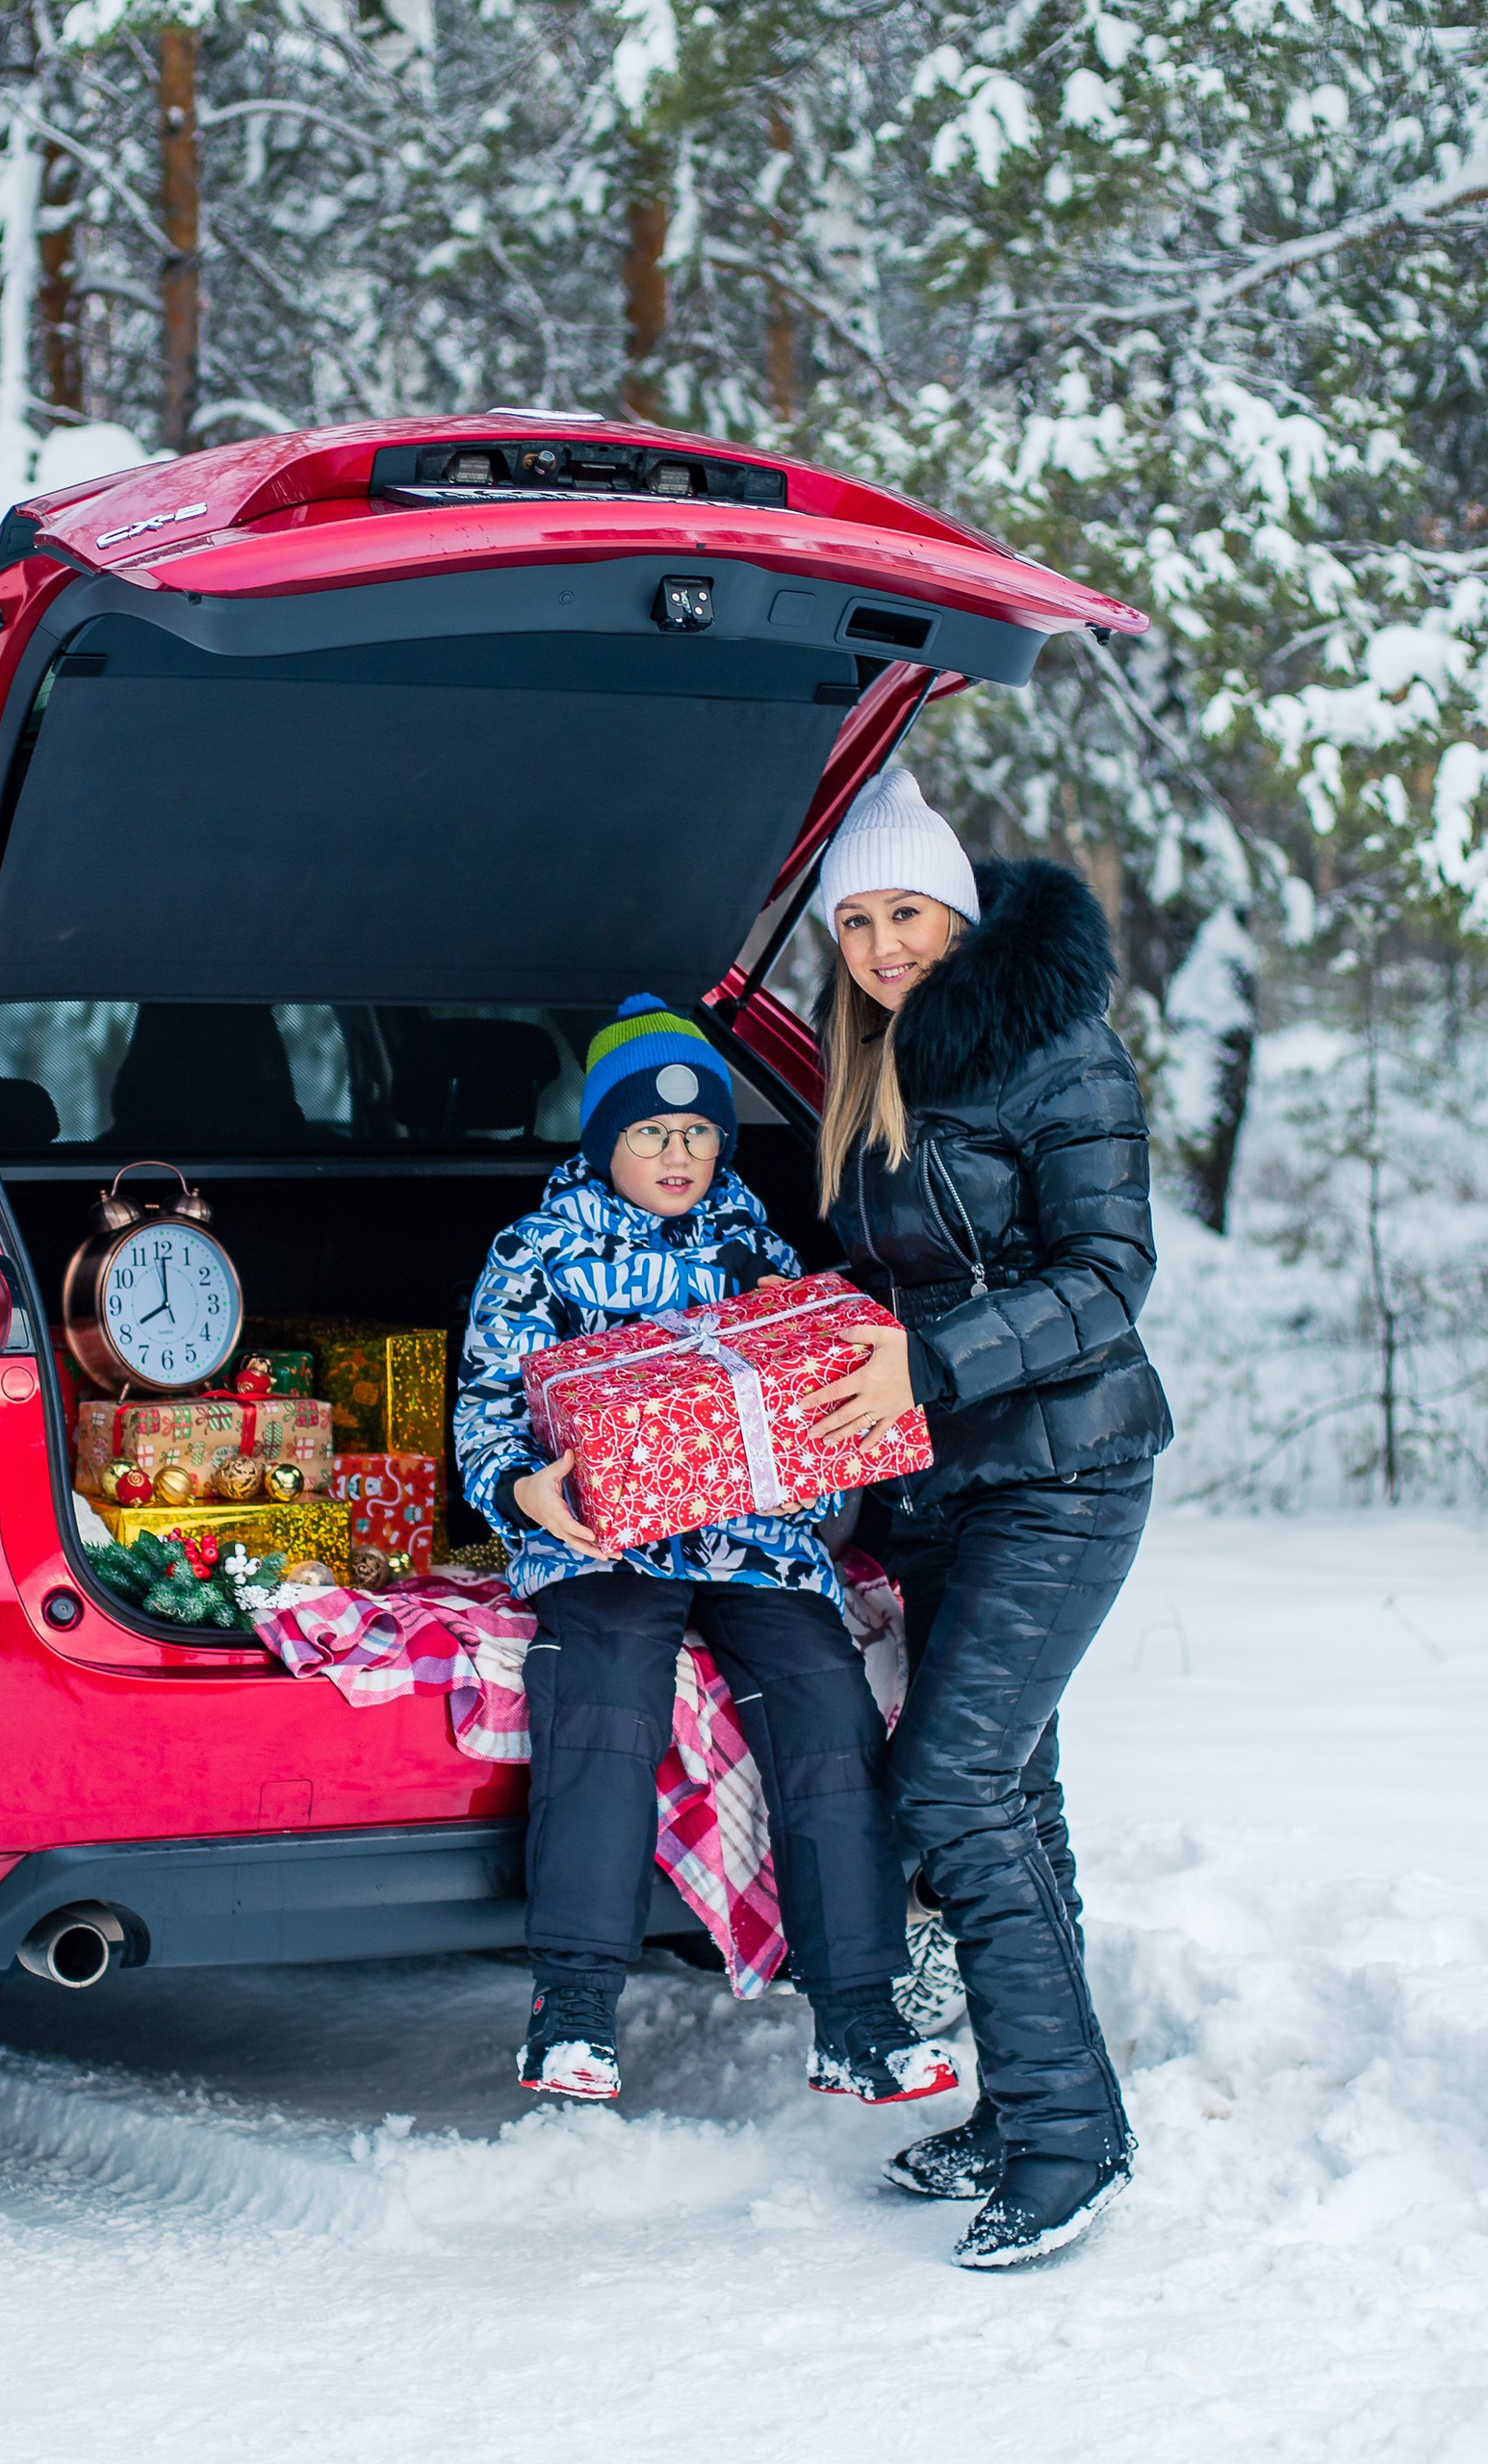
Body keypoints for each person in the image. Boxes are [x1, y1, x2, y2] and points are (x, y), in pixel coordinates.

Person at [795, 765, 1172, 2269]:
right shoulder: (873, 1064)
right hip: (946, 1483)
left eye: (910, 914)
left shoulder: (1054, 1049)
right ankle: (1027, 2112)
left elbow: (1108, 1278)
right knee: (1017, 1796)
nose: (887, 945)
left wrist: (929, 1361)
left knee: (949, 1789)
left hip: (1067, 1471)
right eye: (861, 922)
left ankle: (1074, 2139)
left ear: (960, 910)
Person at [456, 995, 960, 2108]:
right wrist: (519, 1487)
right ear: (604, 1140)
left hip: (748, 1539)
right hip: (604, 1540)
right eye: (649, 1132)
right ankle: (573, 2009)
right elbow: (486, 1407)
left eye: (697, 1134)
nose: (677, 1154)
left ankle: (860, 2015)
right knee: (606, 1691)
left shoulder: (752, 1243)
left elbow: (806, 1398)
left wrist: (808, 1343)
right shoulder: (538, 1253)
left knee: (826, 1702)